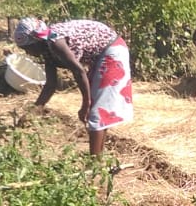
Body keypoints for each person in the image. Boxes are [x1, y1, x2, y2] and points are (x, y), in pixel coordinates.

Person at [12, 17, 134, 157]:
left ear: (35, 41)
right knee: (96, 110)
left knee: (96, 112)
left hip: (111, 51)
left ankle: (95, 163)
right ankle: (98, 156)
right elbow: (50, 85)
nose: (28, 53)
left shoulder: (56, 41)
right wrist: (31, 113)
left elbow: (79, 71)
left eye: (28, 48)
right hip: (100, 56)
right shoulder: (46, 47)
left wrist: (85, 104)